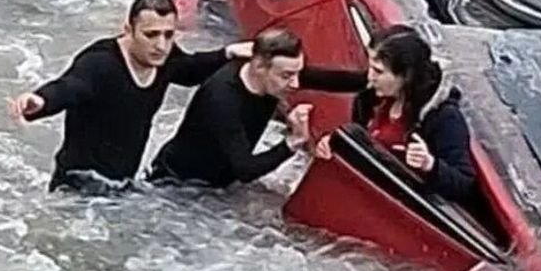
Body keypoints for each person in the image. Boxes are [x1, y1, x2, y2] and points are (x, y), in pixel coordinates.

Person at [8, 0, 252, 192]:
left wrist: (227, 53)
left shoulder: (165, 58)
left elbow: (189, 70)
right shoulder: (99, 63)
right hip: (78, 186)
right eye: (151, 35)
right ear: (128, 29)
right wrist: (40, 101)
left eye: (168, 35)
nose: (161, 45)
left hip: (121, 185)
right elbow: (70, 86)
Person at [146, 27, 365, 187]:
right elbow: (245, 170)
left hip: (222, 178)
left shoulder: (275, 75)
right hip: (178, 184)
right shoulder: (223, 100)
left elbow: (330, 80)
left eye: (298, 73)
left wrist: (373, 79)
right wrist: (293, 142)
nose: (296, 83)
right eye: (287, 76)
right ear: (259, 66)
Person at [313, 26, 476, 202]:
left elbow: (464, 184)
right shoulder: (370, 99)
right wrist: (336, 143)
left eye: (378, 71)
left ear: (406, 76)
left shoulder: (443, 117)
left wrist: (430, 164)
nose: (370, 77)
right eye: (370, 67)